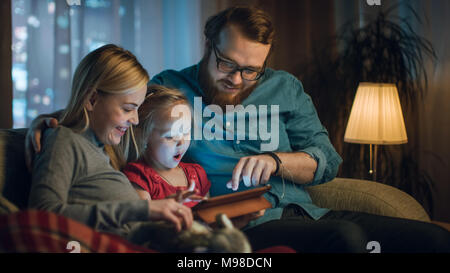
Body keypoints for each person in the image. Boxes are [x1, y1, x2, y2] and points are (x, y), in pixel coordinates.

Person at [27, 8, 450, 252]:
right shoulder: (172, 86)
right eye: (227, 64)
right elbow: (115, 107)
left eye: (251, 70)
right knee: (346, 239)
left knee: (433, 241)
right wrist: (53, 122)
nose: (236, 79)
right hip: (247, 226)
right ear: (208, 45)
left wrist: (276, 160)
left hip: (308, 211)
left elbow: (328, 160)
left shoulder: (285, 88)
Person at [27, 44, 193, 238]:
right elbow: (42, 216)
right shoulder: (64, 141)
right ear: (92, 99)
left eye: (137, 109)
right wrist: (143, 210)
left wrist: (161, 208)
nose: (135, 120)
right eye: (128, 109)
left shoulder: (108, 146)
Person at [122, 85, 211, 207]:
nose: (181, 142)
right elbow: (143, 221)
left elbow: (210, 214)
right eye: (170, 136)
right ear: (144, 136)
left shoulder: (197, 173)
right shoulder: (139, 177)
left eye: (186, 132)